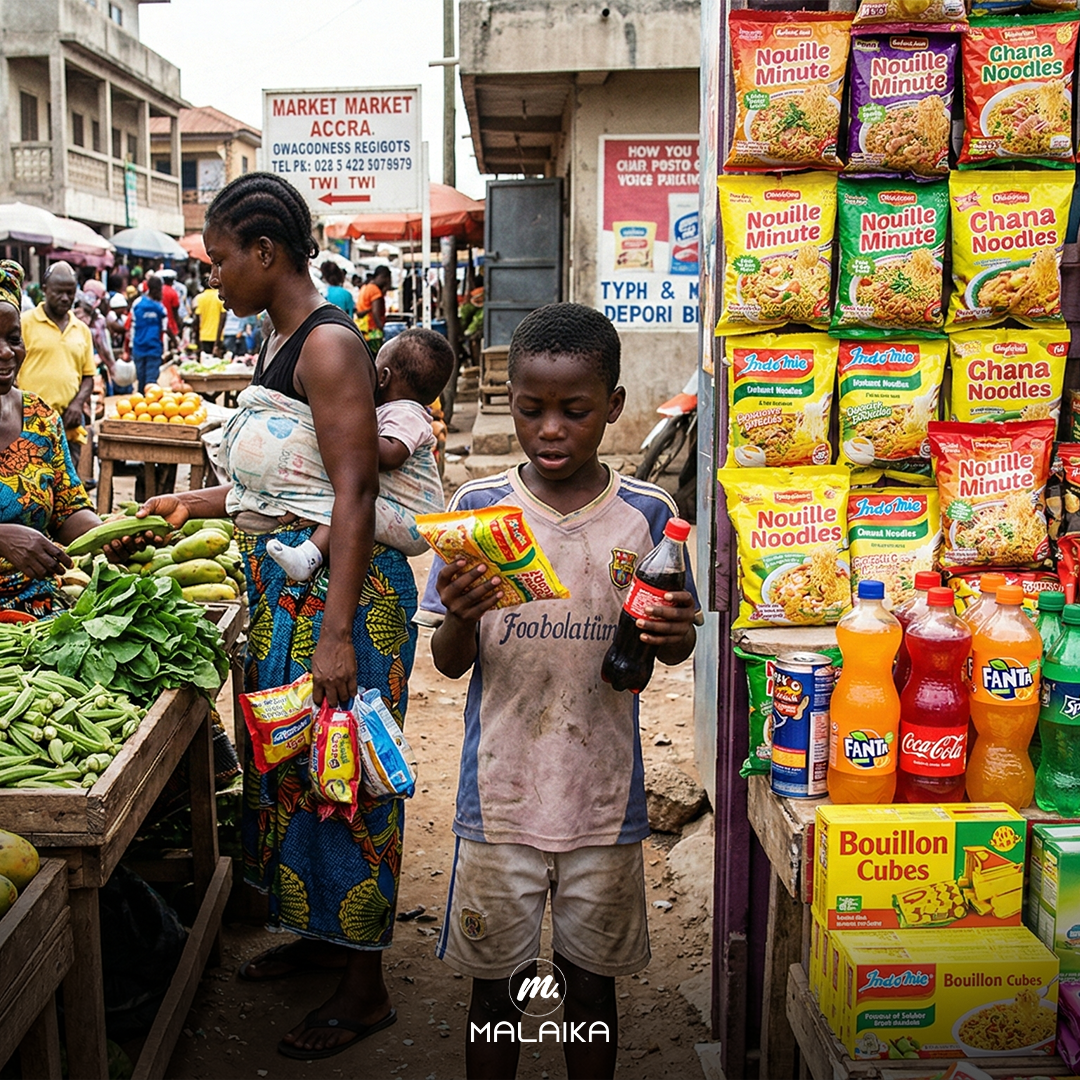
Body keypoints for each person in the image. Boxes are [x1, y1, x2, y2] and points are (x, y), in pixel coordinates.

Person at [136, 171, 416, 1061]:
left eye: (219, 258)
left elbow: (354, 489)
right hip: (286, 588)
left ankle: (364, 986)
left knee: (349, 777)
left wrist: (335, 634)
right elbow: (279, 486)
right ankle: (319, 937)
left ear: (265, 253)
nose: (211, 275)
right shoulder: (279, 337)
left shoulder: (329, 343)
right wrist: (191, 506)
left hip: (340, 595)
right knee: (296, 771)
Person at [420, 303, 699, 1080]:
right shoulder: (478, 512)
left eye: (574, 411)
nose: (550, 429)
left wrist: (676, 638)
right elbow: (447, 662)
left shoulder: (649, 517)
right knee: (495, 989)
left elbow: (664, 648)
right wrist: (464, 619)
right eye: (531, 409)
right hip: (500, 795)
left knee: (589, 985)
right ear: (510, 403)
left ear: (612, 407)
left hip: (602, 796)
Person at [0, 261, 157, 614]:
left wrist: (107, 535)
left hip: (36, 612)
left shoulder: (40, 419)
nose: (6, 353)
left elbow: (68, 510)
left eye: (13, 339)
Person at [266, 326, 454, 581]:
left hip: (415, 520)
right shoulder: (392, 411)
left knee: (350, 502)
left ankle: (309, 556)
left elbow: (391, 455)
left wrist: (340, 433)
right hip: (398, 510)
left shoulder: (406, 413)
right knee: (347, 491)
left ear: (383, 377)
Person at [19, 261, 95, 451]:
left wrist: (77, 404)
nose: (65, 298)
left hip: (68, 426)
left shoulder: (82, 330)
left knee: (67, 480)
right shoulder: (24, 323)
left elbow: (88, 377)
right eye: (58, 292)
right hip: (29, 425)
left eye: (70, 293)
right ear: (45, 290)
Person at [126, 274, 173, 390]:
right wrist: (173, 342)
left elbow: (130, 325)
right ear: (158, 289)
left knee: (141, 379)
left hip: (138, 347)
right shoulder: (160, 308)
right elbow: (164, 329)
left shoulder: (137, 304)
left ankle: (141, 404)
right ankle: (149, 403)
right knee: (151, 381)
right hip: (154, 348)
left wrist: (129, 346)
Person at [356, 265, 391, 355]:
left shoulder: (365, 287)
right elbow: (376, 313)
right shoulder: (375, 291)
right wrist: (382, 329)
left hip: (364, 330)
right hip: (373, 332)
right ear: (384, 277)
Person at [192, 282, 226, 355]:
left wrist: (196, 339)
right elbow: (222, 320)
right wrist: (217, 343)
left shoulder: (199, 298)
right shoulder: (220, 297)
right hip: (218, 337)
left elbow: (197, 320)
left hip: (204, 336)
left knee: (206, 362)